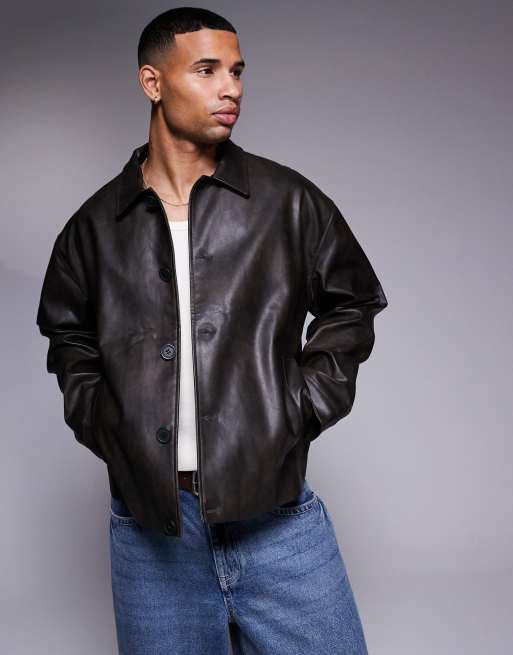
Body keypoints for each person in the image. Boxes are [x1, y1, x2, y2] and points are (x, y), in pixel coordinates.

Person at [36, 7, 388, 654]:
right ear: (152, 82)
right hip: (150, 535)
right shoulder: (94, 228)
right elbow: (67, 336)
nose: (231, 88)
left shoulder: (286, 202)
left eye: (237, 71)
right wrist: (106, 422)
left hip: (278, 523)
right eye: (206, 70)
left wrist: (300, 406)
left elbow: (354, 301)